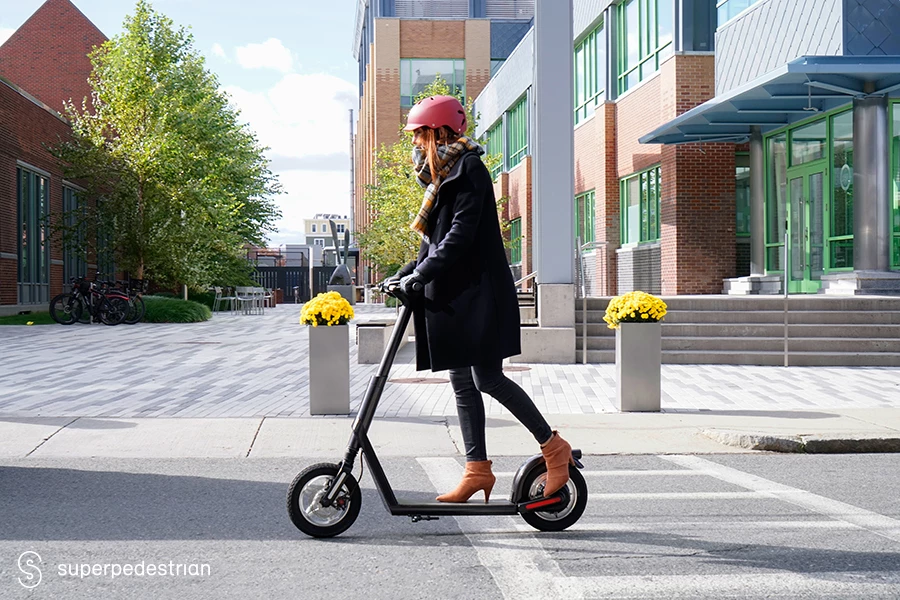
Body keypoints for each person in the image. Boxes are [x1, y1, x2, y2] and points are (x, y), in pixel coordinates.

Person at [388, 95, 573, 503]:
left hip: (482, 296)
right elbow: (432, 242)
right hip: (460, 298)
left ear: (437, 132)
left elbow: (461, 233)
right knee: (461, 381)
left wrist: (424, 274)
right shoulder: (441, 178)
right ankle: (477, 471)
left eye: (419, 136)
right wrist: (406, 273)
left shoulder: (469, 168)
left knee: (486, 377)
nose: (416, 144)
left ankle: (554, 447)